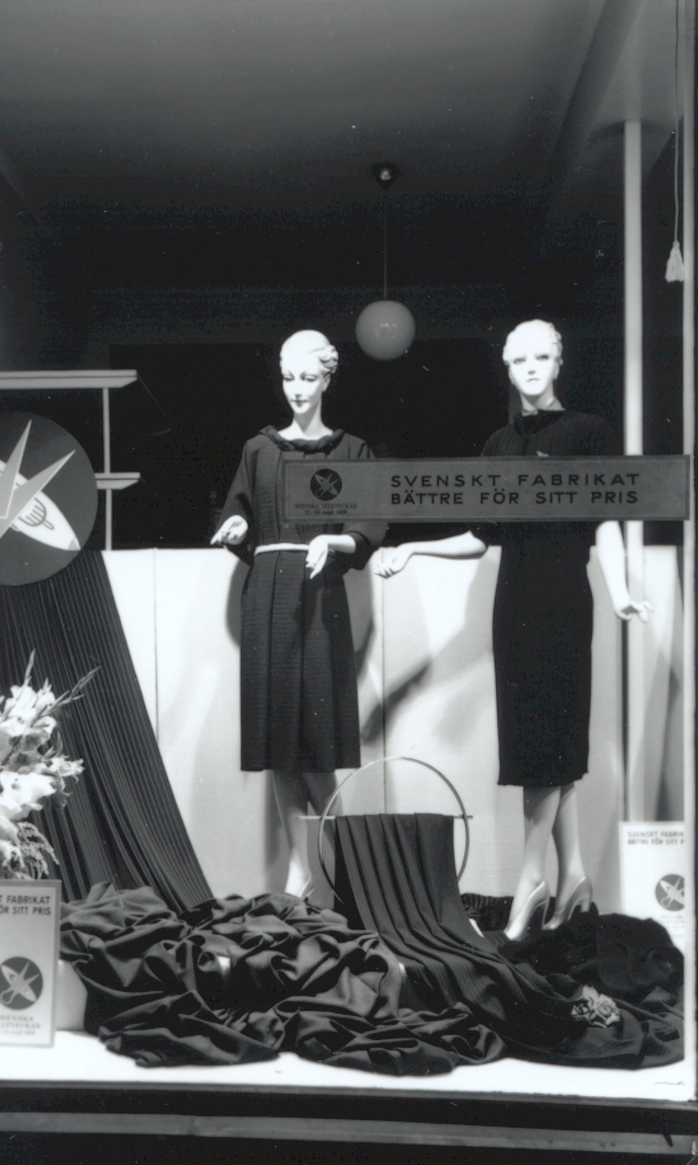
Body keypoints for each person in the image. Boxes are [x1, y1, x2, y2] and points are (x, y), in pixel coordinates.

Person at [375, 319, 651, 940]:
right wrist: (414, 548)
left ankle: (531, 880)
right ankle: (573, 877)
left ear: (559, 362)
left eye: (541, 357)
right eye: (519, 359)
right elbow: (481, 536)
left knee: (547, 745)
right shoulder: (498, 444)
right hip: (514, 605)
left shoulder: (588, 432)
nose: (531, 367)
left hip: (563, 602)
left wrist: (622, 591)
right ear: (507, 366)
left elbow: (604, 520)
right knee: (538, 744)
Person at [212, 330, 386, 898]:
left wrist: (334, 541)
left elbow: (368, 526)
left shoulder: (351, 451)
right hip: (266, 596)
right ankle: (299, 868)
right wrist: (238, 526)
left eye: (308, 377)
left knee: (315, 741)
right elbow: (243, 514)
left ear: (328, 379)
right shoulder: (258, 449)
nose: (297, 389)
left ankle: (340, 869)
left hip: (319, 600)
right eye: (288, 377)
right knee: (277, 743)